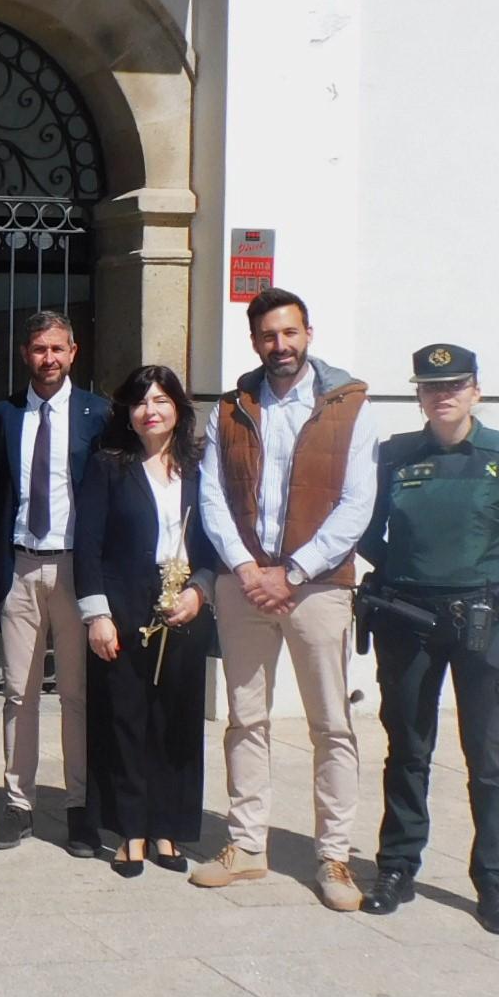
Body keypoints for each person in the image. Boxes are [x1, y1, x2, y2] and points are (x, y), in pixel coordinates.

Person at [357, 344, 499, 936]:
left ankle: (494, 880)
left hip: (487, 626)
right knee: (409, 750)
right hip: (410, 621)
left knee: (489, 758)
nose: (442, 396)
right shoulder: (395, 457)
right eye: (429, 386)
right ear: (417, 394)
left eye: (454, 385)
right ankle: (396, 867)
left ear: (475, 389)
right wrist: (407, 578)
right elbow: (369, 533)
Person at [192, 287, 377, 912]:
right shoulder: (231, 408)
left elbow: (357, 505)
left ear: (308, 333)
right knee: (247, 719)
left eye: (290, 333)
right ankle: (246, 847)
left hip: (318, 587)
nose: (281, 346)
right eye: (269, 336)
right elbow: (211, 495)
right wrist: (246, 568)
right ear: (253, 341)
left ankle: (335, 857)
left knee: (331, 724)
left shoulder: (349, 407)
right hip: (244, 587)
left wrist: (292, 572)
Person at [74, 365, 215, 877]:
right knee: (126, 718)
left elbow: (214, 542)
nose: (150, 410)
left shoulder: (201, 468)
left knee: (175, 722)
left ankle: (168, 829)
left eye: (160, 400)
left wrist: (201, 590)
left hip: (185, 605)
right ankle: (130, 830)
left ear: (178, 408)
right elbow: (87, 547)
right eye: (140, 403)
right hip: (124, 602)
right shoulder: (109, 466)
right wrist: (97, 615)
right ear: (128, 414)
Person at [0, 310, 109, 854]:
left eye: (57, 348)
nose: (48, 359)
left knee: (78, 696)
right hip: (19, 565)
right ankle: (19, 803)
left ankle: (80, 806)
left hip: (78, 569)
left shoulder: (99, 414)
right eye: (39, 349)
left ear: (73, 352)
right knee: (18, 692)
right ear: (24, 352)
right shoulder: (2, 416)